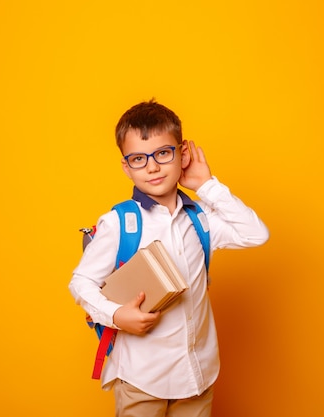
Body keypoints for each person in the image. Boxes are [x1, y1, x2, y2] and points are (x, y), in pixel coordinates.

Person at [69, 99, 269, 417]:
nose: (152, 166)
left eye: (163, 153)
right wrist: (116, 315)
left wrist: (207, 186)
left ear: (182, 153)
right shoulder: (120, 223)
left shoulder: (201, 218)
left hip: (198, 373)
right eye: (138, 158)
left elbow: (255, 233)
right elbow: (81, 282)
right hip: (142, 378)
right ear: (126, 166)